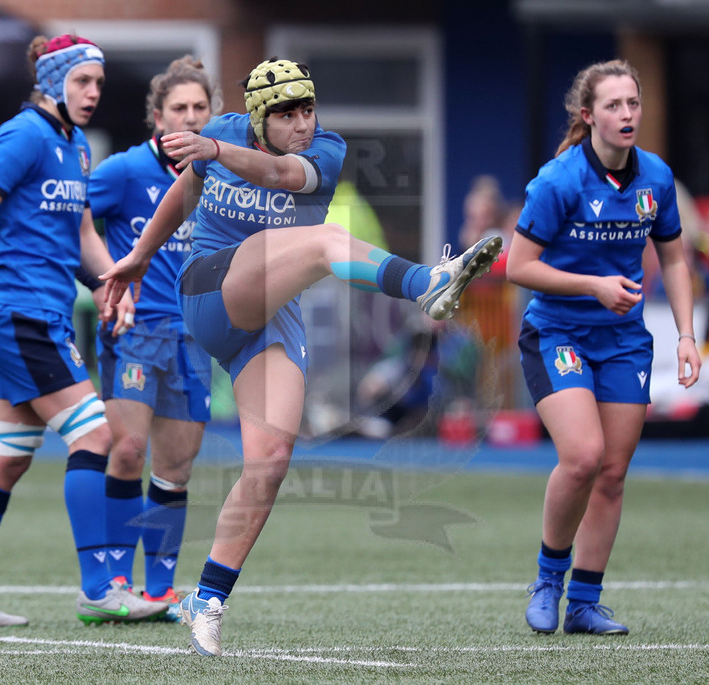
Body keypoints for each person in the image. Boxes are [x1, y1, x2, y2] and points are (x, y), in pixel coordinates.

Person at [101, 57, 503, 655]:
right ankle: (426, 282)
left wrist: (213, 149)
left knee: (269, 461)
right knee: (319, 242)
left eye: (307, 109)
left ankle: (206, 599)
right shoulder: (228, 134)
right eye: (287, 114)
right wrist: (139, 255)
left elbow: (283, 175)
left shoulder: (325, 151)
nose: (303, 123)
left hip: (269, 314)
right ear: (260, 117)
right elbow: (186, 192)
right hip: (210, 288)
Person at [0, 34, 167, 627]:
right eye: (83, 82)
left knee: (8, 460)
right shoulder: (24, 134)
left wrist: (106, 284)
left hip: (44, 315)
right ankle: (98, 589)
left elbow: (85, 234)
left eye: (98, 83)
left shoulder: (76, 144)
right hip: (21, 317)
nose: (93, 93)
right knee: (95, 436)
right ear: (54, 80)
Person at [506, 59, 701, 636]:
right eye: (614, 106)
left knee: (612, 472)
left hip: (623, 342)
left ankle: (585, 604)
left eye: (633, 104)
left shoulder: (656, 178)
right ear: (588, 116)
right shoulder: (558, 181)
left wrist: (686, 336)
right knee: (584, 456)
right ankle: (548, 578)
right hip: (557, 333)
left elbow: (673, 256)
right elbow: (519, 266)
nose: (627, 115)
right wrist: (593, 286)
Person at [88, 56, 221, 621]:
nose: (190, 117)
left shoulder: (224, 173)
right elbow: (69, 220)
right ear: (157, 117)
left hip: (195, 337)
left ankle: (162, 590)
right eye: (179, 109)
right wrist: (103, 284)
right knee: (126, 449)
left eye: (200, 107)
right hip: (136, 333)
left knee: (176, 468)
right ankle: (115, 579)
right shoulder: (121, 172)